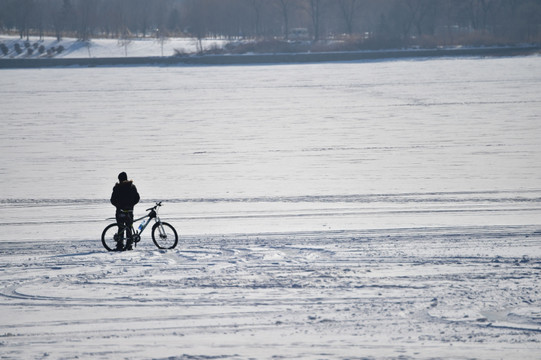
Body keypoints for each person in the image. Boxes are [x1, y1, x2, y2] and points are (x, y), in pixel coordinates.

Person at [110, 172, 140, 250]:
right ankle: (129, 245)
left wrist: (119, 206)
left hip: (120, 211)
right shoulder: (132, 187)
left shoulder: (117, 187)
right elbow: (137, 198)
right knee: (129, 228)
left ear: (119, 179)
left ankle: (120, 245)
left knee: (121, 228)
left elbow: (112, 200)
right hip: (129, 211)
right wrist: (131, 205)